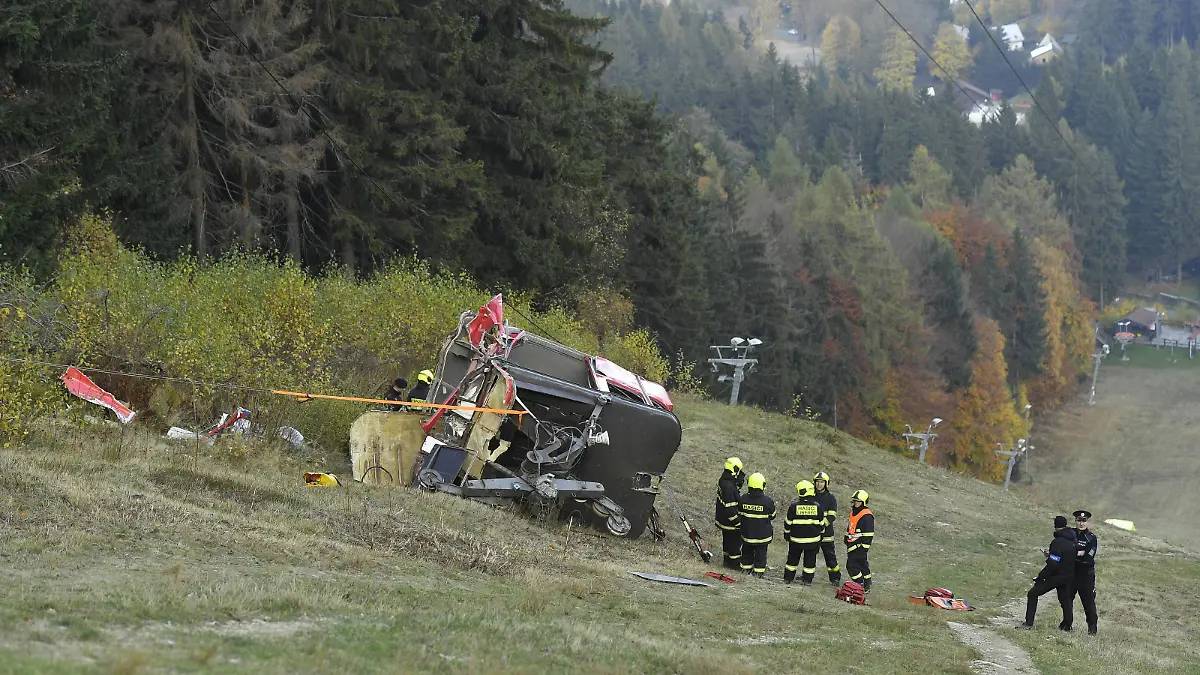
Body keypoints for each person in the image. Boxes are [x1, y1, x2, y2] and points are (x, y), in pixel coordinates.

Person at [1017, 515, 1077, 630]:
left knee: (1033, 593)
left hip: (1056, 576)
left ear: (1055, 526)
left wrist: (1041, 576)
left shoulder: (1057, 542)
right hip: (1068, 575)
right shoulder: (1073, 540)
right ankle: (1067, 626)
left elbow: (1053, 564)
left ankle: (1028, 623)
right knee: (1065, 600)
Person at [782, 480, 825, 585]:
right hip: (813, 541)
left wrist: (787, 535)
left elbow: (788, 523)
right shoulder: (818, 507)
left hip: (796, 540)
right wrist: (821, 536)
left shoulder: (794, 506)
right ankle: (807, 580)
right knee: (810, 562)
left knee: (792, 561)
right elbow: (822, 525)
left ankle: (788, 578)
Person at [1067, 509, 1099, 634]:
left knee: (1088, 602)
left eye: (1084, 521)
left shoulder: (1091, 538)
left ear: (1087, 522)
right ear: (1075, 521)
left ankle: (1092, 629)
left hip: (1085, 575)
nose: (1081, 523)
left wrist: (1073, 553)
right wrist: (1077, 553)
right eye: (1079, 521)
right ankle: (1066, 625)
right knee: (1067, 599)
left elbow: (1088, 556)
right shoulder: (1070, 533)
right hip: (1071, 572)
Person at [738, 472, 776, 578]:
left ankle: (745, 571)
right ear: (763, 485)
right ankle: (758, 573)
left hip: (747, 535)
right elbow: (772, 515)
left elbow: (739, 514)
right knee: (761, 555)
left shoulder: (743, 499)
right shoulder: (767, 501)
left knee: (746, 553)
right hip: (762, 537)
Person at [714, 457, 746, 570]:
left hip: (722, 519)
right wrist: (738, 524)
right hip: (730, 522)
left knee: (727, 542)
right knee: (734, 544)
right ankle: (734, 565)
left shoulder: (724, 480)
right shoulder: (729, 487)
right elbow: (731, 509)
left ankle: (727, 562)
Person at [813, 471, 841, 585]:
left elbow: (832, 515)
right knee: (810, 556)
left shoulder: (830, 498)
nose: (819, 484)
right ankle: (807, 576)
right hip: (813, 533)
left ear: (826, 484)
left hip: (827, 534)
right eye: (817, 482)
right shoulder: (811, 496)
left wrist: (822, 524)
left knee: (830, 557)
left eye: (822, 482)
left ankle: (835, 578)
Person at [844, 490, 874, 592]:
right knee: (863, 565)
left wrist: (864, 548)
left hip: (859, 546)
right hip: (852, 544)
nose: (856, 503)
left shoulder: (867, 515)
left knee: (851, 566)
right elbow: (850, 526)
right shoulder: (853, 512)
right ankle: (867, 584)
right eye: (855, 501)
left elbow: (869, 534)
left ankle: (859, 583)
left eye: (858, 501)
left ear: (864, 502)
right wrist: (846, 536)